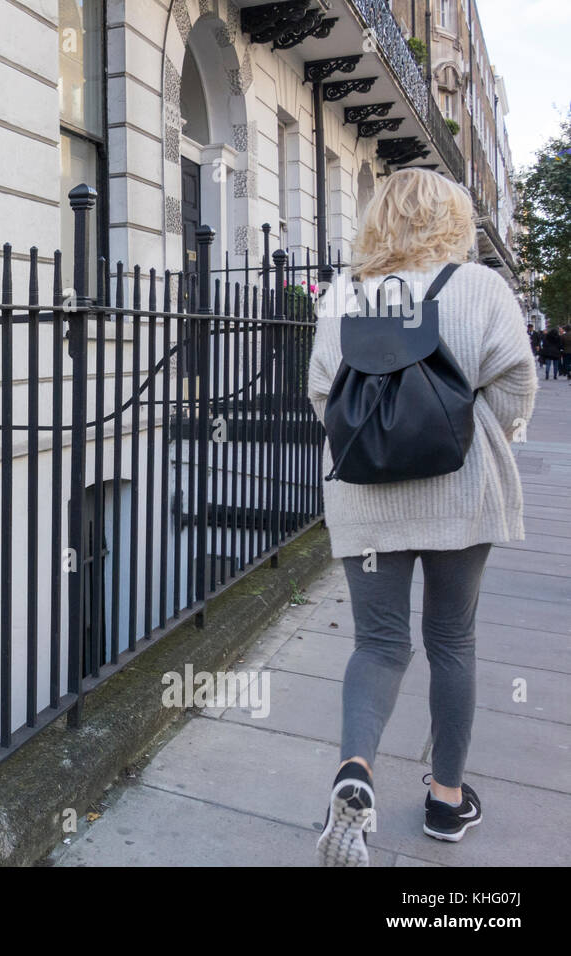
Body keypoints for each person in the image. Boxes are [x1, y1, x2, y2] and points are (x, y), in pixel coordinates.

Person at [308, 168, 537, 866]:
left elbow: (324, 393)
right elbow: (518, 383)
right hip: (460, 498)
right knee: (451, 641)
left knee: (377, 643)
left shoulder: (345, 295)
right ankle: (445, 799)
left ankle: (355, 772)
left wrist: (383, 446)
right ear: (453, 220)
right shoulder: (481, 288)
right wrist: (459, 439)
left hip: (367, 496)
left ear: (378, 220)